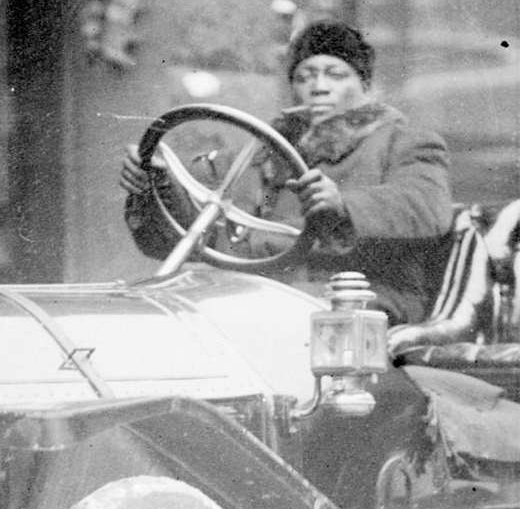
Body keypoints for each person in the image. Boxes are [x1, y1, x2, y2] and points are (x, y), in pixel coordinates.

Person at [121, 20, 454, 322]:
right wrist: (155, 185)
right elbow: (193, 235)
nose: (318, 87)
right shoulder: (262, 152)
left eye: (335, 75)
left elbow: (427, 208)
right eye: (303, 77)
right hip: (268, 295)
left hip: (364, 298)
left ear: (364, 84)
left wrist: (342, 205)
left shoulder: (405, 141)